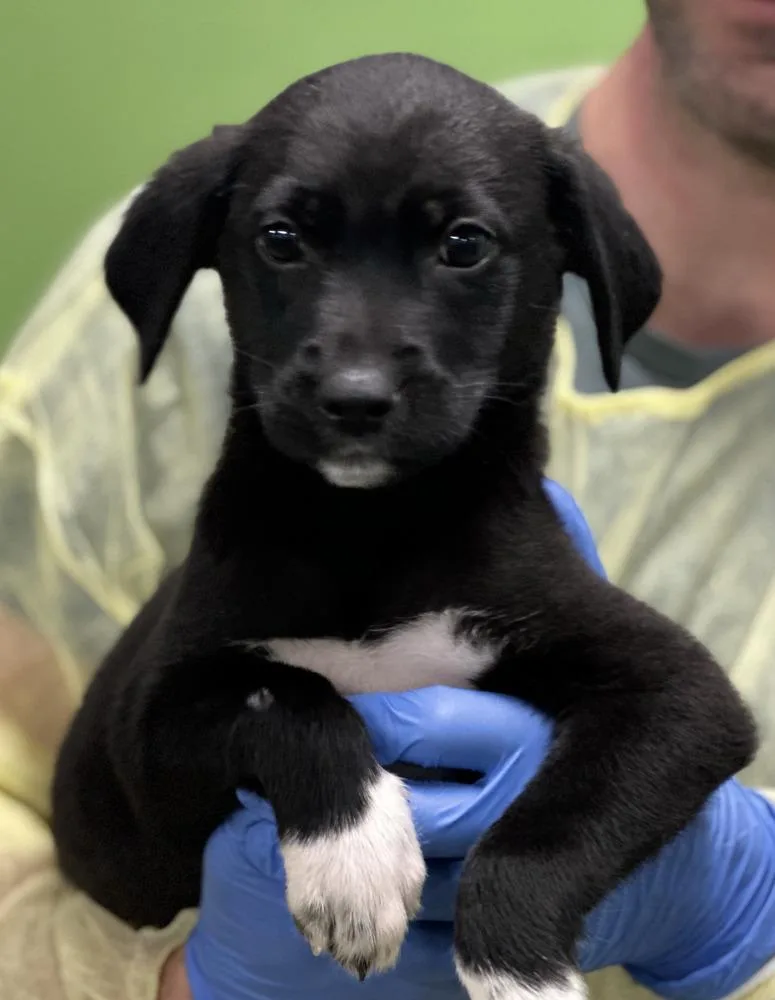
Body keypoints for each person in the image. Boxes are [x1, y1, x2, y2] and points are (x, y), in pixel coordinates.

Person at [0, 1, 774, 997]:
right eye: (284, 240)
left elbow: (684, 710)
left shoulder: (539, 195)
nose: (358, 374)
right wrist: (170, 980)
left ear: (576, 276)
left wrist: (733, 908)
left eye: (460, 249)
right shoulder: (164, 434)